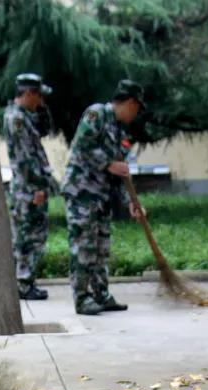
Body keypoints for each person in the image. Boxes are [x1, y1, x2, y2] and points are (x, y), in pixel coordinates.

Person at [61, 79, 146, 315]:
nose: (136, 114)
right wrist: (108, 163)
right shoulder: (96, 114)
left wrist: (131, 204)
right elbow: (81, 147)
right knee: (83, 246)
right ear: (130, 103)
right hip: (82, 193)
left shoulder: (120, 131)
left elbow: (121, 174)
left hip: (101, 197)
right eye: (137, 108)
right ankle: (82, 297)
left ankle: (101, 294)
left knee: (100, 248)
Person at [4, 73, 59, 301]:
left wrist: (41, 108)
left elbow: (45, 129)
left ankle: (25, 281)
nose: (40, 101)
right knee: (29, 236)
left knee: (31, 234)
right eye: (38, 97)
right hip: (28, 189)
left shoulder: (24, 116)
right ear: (27, 94)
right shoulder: (16, 119)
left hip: (29, 187)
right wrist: (37, 187)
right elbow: (25, 158)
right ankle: (23, 283)